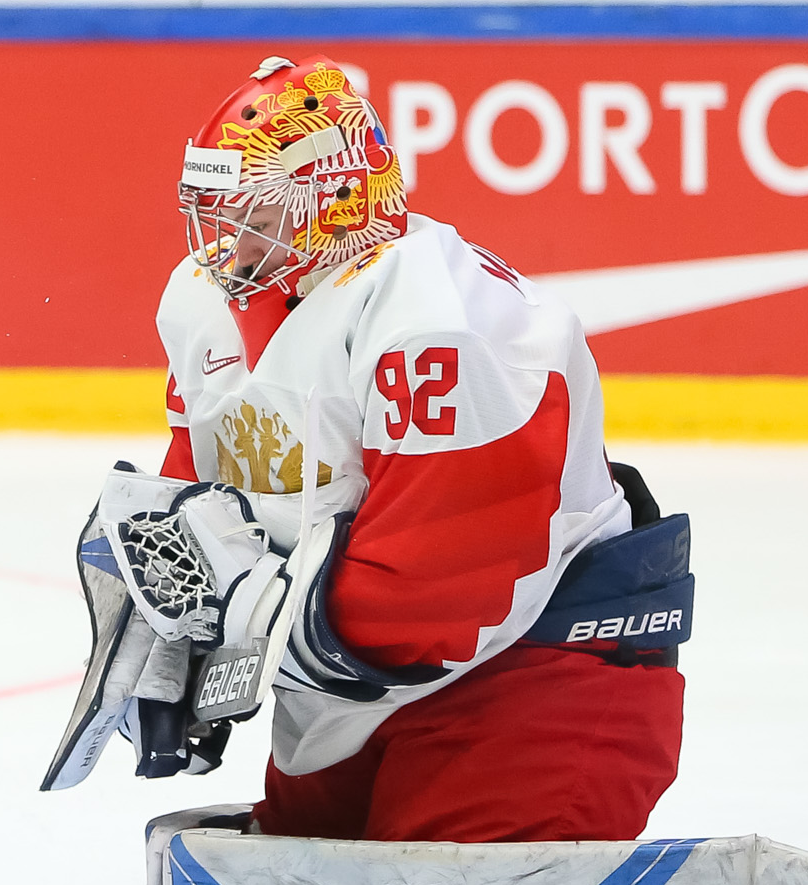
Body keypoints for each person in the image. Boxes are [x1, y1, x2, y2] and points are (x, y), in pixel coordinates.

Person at [45, 56, 690, 843]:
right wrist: (173, 635)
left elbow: (441, 597)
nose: (227, 238)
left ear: (336, 196)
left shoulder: (438, 321)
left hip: (529, 685)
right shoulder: (203, 301)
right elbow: (200, 484)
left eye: (256, 209)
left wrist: (240, 613)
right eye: (217, 208)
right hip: (342, 699)